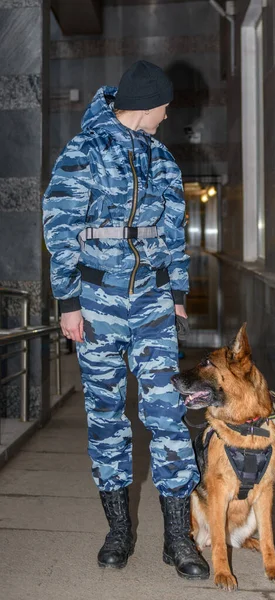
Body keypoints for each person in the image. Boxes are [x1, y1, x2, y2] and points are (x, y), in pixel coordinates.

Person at [42, 60, 208, 580]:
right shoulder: (84, 151)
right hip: (95, 303)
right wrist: (68, 301)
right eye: (164, 105)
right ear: (148, 103)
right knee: (107, 417)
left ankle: (178, 539)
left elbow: (175, 230)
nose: (167, 114)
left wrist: (177, 291)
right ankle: (119, 530)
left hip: (153, 305)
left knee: (168, 415)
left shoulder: (162, 158)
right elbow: (59, 227)